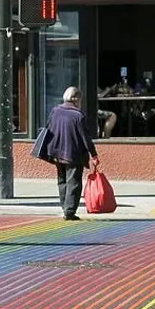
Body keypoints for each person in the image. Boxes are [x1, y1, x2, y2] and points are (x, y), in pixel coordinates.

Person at [43, 86, 99, 221]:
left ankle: (65, 207)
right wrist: (94, 154)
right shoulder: (78, 116)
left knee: (62, 181)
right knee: (73, 182)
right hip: (73, 154)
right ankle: (69, 211)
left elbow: (48, 129)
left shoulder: (55, 111)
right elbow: (86, 138)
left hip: (57, 153)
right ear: (76, 99)